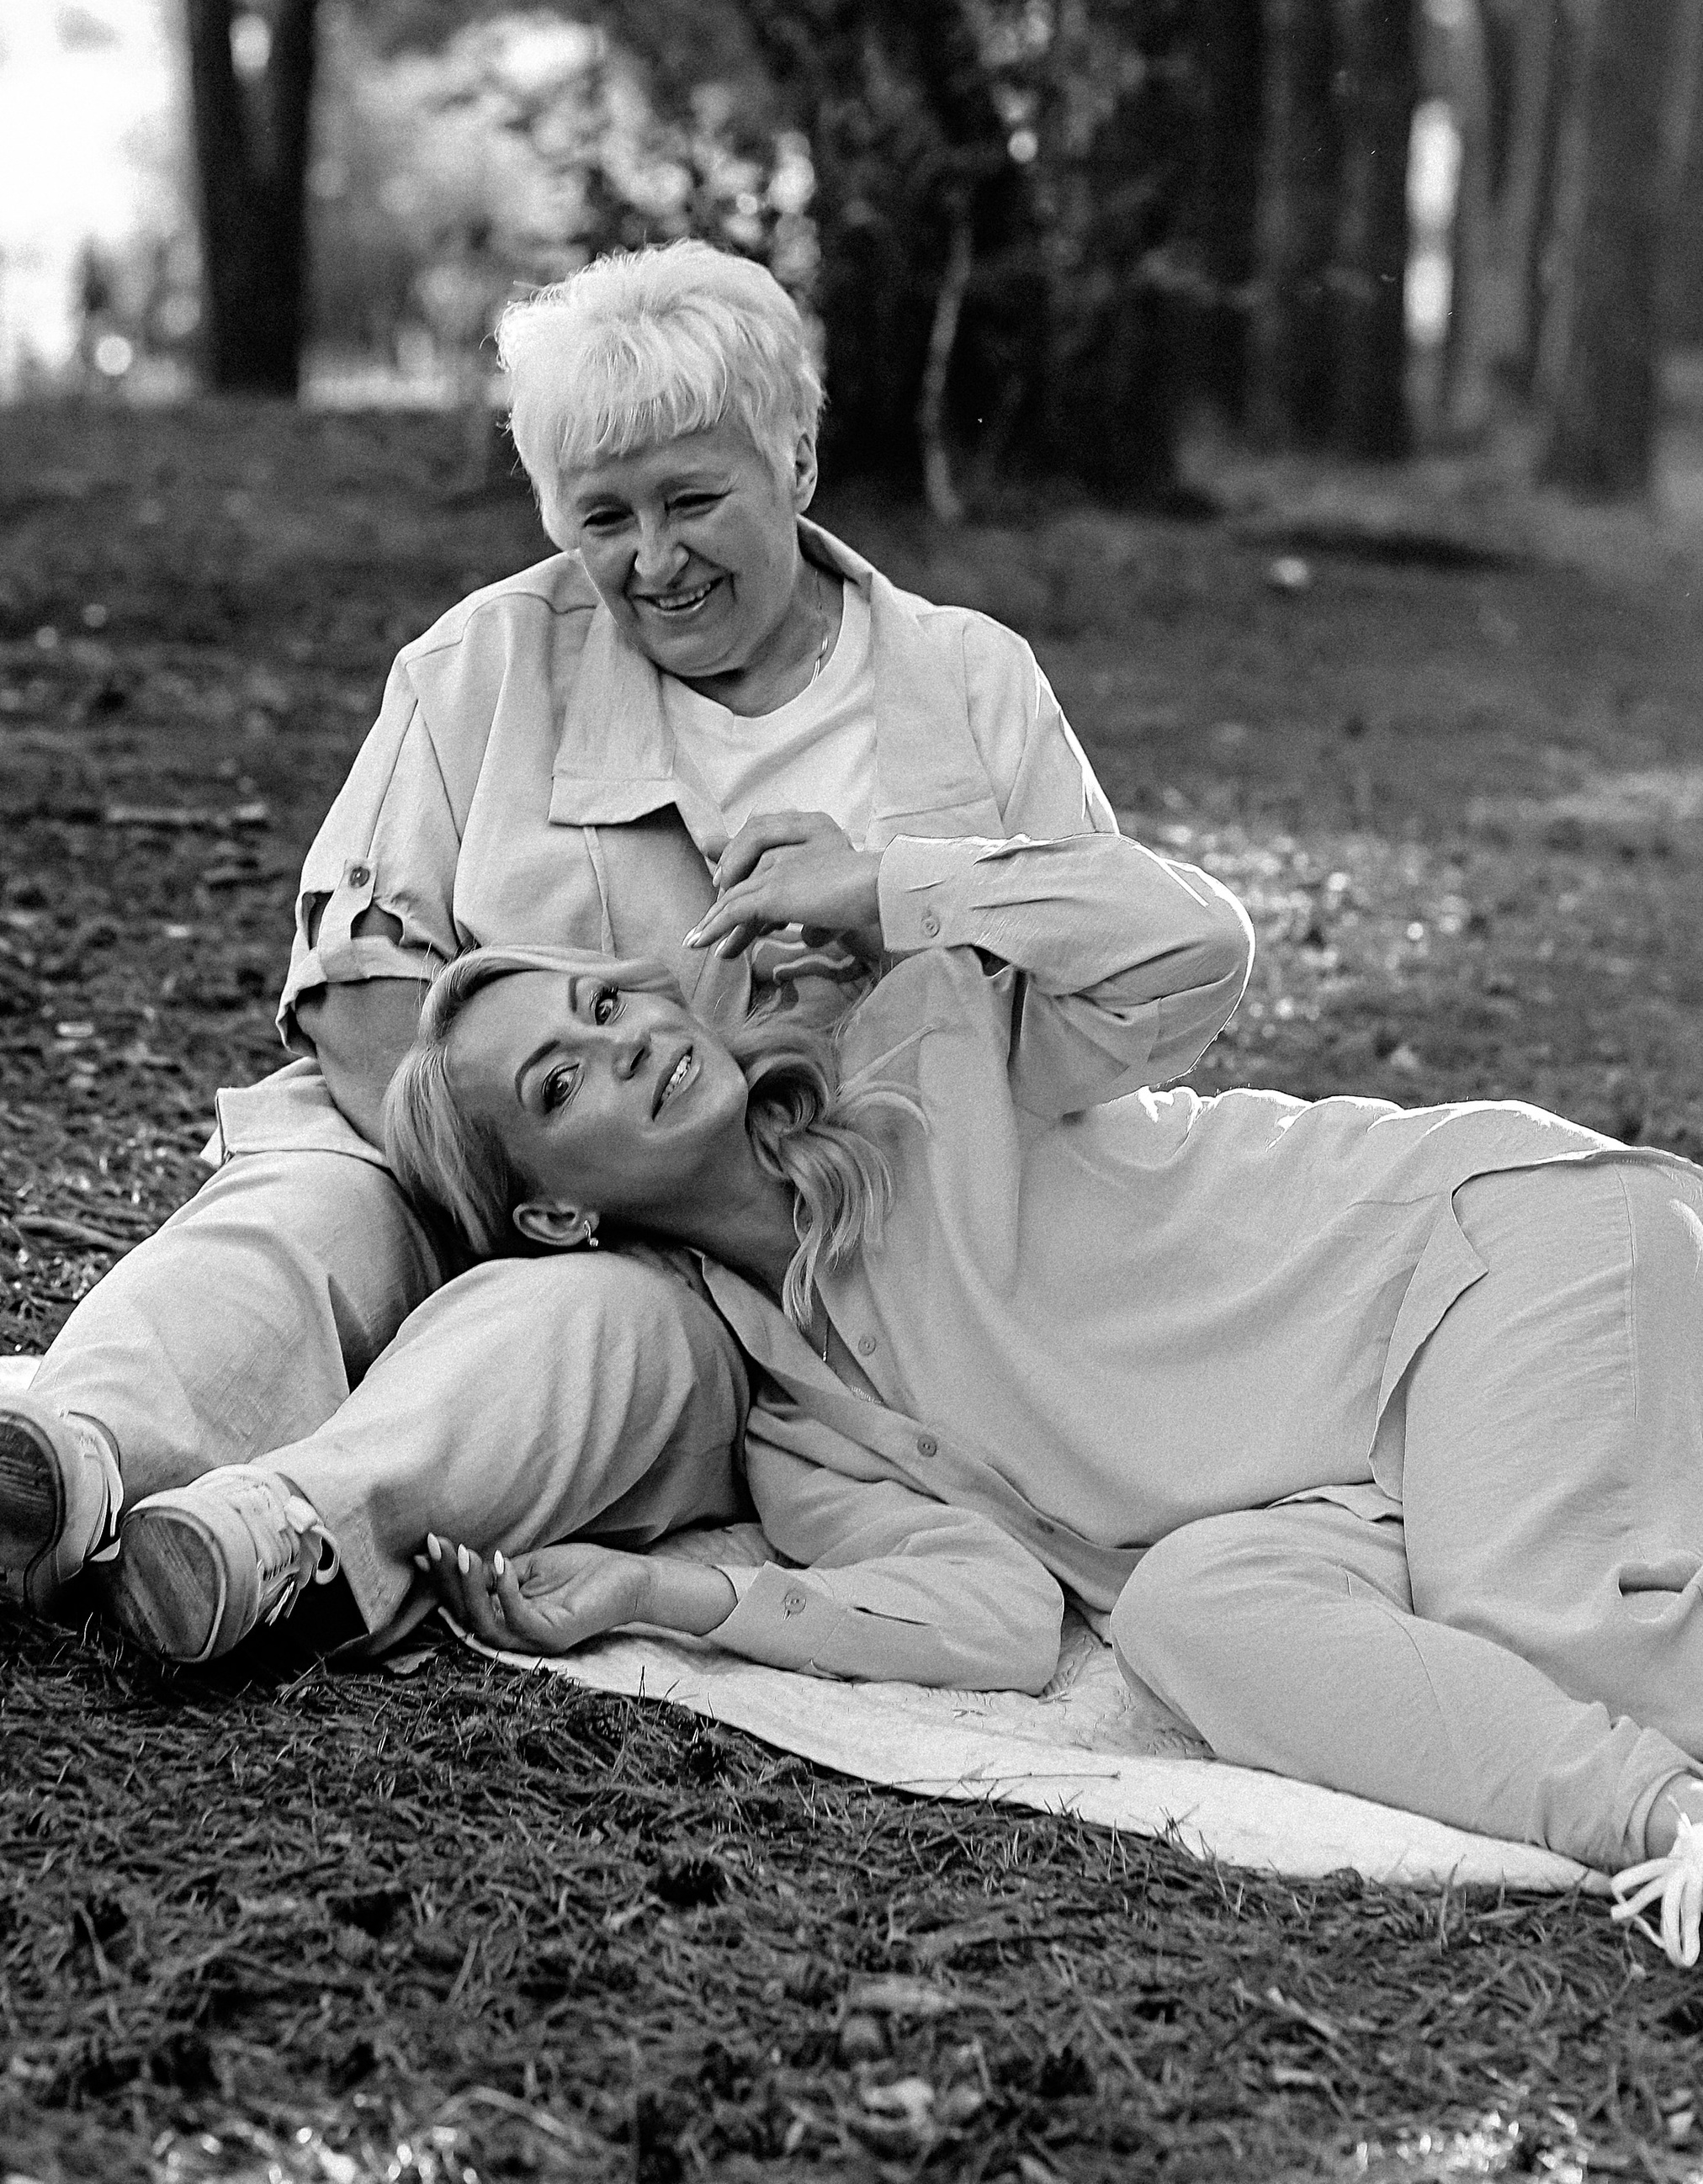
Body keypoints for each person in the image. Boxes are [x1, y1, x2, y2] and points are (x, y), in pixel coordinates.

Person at [0, 242, 1116, 1670]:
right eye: (604, 515)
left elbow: (1084, 981)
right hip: (453, 1136)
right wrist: (530, 1187)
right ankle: (65, 1459)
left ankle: (268, 1536)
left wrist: (658, 1193)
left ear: (793, 459)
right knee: (304, 1213)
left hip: (778, 1248)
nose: (652, 561)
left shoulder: (968, 683)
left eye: (692, 499)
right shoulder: (487, 662)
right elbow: (360, 996)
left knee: (586, 1334)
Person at [376, 813, 1703, 1952]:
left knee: (1526, 1622)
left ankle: (1673, 1820)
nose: (617, 1043)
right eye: (561, 1082)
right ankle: (1658, 1810)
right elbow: (999, 1622)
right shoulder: (795, 1427)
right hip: (1341, 1490)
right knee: (1185, 1623)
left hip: (1478, 1261)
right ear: (553, 1219)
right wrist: (658, 1593)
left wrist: (888, 888)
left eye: (606, 1001)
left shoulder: (927, 1048)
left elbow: (1196, 942)